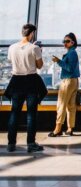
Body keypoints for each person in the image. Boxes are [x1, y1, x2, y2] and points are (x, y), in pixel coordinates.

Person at [5, 24, 47, 153]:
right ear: (32, 34)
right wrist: (39, 52)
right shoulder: (35, 48)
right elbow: (39, 66)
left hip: (16, 81)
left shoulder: (12, 47)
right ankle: (31, 143)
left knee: (14, 113)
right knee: (31, 115)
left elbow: (10, 61)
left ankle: (11, 144)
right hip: (30, 82)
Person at [49, 32, 80, 137]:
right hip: (74, 81)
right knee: (71, 106)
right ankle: (70, 128)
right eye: (64, 41)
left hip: (67, 81)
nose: (64, 43)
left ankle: (57, 129)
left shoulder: (71, 53)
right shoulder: (73, 53)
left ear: (72, 42)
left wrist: (58, 61)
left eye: (67, 41)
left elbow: (69, 68)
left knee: (61, 105)